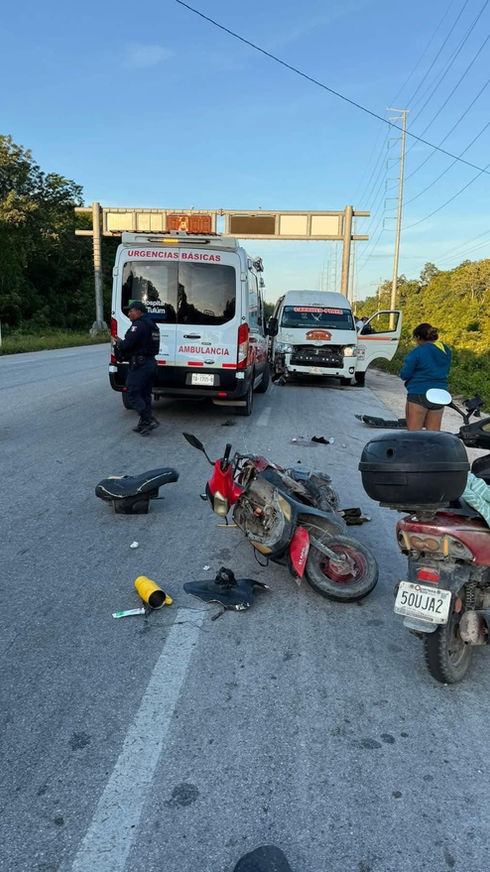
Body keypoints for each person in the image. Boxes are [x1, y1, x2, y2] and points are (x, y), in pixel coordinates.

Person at [116, 301, 159, 436]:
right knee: (145, 394)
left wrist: (119, 342)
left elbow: (127, 344)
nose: (129, 314)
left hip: (140, 365)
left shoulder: (138, 325)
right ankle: (144, 423)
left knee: (132, 392)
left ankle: (148, 419)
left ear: (140, 312)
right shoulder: (152, 325)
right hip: (150, 363)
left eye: (131, 311)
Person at [399, 322, 451, 431]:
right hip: (440, 395)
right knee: (433, 435)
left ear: (418, 337)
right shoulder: (445, 350)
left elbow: (405, 374)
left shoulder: (418, 351)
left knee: (414, 435)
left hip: (419, 393)